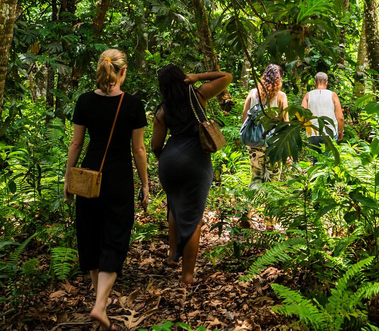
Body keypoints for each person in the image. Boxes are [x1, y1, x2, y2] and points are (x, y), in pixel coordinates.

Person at [64, 49, 149, 331]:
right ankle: (100, 304)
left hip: (89, 176)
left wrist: (68, 177)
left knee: (90, 232)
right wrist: (146, 183)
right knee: (115, 234)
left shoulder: (85, 101)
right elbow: (138, 149)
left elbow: (75, 144)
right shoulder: (134, 104)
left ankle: (97, 295)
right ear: (123, 72)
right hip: (119, 179)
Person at [151, 65, 232, 285]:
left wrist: (168, 160)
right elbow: (227, 76)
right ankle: (187, 276)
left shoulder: (162, 111)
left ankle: (172, 257)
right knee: (193, 218)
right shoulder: (199, 95)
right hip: (197, 162)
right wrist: (198, 77)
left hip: (170, 164)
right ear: (183, 79)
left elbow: (155, 146)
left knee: (175, 206)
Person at [241, 64, 289, 183]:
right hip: (274, 143)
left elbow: (245, 118)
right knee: (272, 179)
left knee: (256, 177)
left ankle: (254, 200)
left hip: (255, 142)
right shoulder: (281, 97)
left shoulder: (253, 93)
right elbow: (286, 123)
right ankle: (268, 201)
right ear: (279, 79)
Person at [301, 72, 344, 155]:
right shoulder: (332, 95)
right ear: (326, 83)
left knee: (316, 160)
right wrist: (340, 131)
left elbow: (302, 114)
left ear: (314, 83)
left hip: (313, 132)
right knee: (328, 162)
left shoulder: (308, 95)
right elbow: (340, 117)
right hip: (329, 132)